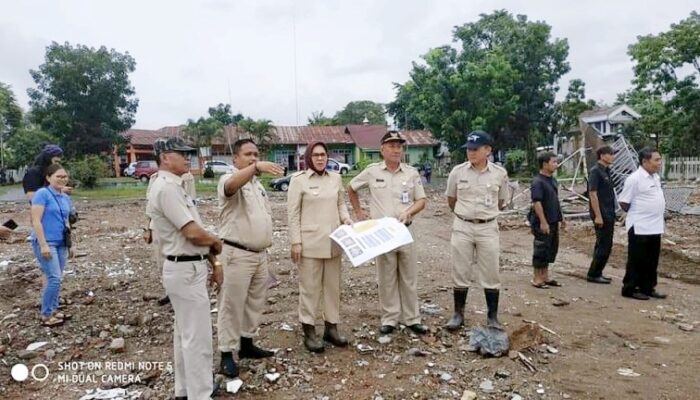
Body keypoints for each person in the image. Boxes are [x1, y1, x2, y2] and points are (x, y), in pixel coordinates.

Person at [147, 137, 223, 400]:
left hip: (185, 267)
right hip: (185, 268)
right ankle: (200, 393)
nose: (188, 157)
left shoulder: (173, 186)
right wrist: (216, 242)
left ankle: (185, 389)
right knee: (197, 337)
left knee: (184, 334)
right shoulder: (167, 188)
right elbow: (193, 233)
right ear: (166, 157)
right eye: (182, 154)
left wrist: (213, 260)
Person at [347, 131, 428, 335]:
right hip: (382, 234)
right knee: (386, 277)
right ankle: (390, 318)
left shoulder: (411, 173)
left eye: (399, 146)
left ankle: (412, 318)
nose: (396, 149)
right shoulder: (373, 171)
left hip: (405, 232)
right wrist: (358, 210)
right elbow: (351, 187)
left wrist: (409, 212)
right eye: (391, 146)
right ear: (382, 149)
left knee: (409, 277)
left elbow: (421, 200)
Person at [216, 139, 284, 377]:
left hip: (259, 254)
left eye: (256, 154)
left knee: (255, 302)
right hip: (237, 254)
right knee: (231, 304)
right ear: (235, 158)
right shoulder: (229, 178)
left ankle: (246, 345)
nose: (254, 158)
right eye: (248, 154)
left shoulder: (256, 185)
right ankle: (226, 353)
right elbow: (231, 187)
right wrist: (255, 169)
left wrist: (254, 173)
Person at [287, 141, 353, 353]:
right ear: (308, 157)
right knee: (310, 289)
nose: (320, 158)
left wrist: (346, 218)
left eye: (323, 154)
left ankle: (331, 328)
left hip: (334, 242)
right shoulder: (299, 181)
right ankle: (309, 331)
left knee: (333, 288)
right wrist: (295, 242)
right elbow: (293, 213)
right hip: (309, 245)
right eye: (315, 155)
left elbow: (340, 203)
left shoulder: (335, 178)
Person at [444, 130, 510, 331]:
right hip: (462, 225)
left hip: (488, 226)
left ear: (488, 150)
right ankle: (458, 314)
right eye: (469, 149)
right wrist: (464, 215)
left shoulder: (500, 174)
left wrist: (485, 214)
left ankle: (492, 317)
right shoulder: (458, 172)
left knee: (491, 271)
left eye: (475, 149)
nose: (471, 153)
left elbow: (501, 201)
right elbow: (451, 199)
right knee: (460, 269)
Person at [144, 150, 197, 306]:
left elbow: (190, 201)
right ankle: (168, 290)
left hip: (179, 223)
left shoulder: (187, 178)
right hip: (158, 224)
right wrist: (147, 228)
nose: (186, 159)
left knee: (180, 257)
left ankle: (181, 292)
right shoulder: (156, 179)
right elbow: (150, 204)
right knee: (162, 258)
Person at [618, 148, 667, 300]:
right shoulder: (635, 179)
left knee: (652, 259)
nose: (659, 163)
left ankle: (648, 287)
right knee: (637, 259)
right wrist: (639, 212)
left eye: (660, 160)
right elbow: (624, 202)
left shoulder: (655, 177)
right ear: (645, 162)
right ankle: (630, 288)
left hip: (655, 225)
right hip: (640, 225)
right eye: (656, 160)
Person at [30, 164, 72, 327]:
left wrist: (71, 245)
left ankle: (53, 309)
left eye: (64, 176)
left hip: (61, 242)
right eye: (58, 176)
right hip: (47, 242)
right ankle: (46, 314)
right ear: (48, 178)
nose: (62, 179)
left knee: (56, 277)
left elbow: (66, 221)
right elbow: (36, 220)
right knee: (53, 278)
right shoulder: (42, 194)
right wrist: (43, 245)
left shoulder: (65, 197)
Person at [529, 152, 565, 289]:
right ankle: (537, 278)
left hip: (553, 219)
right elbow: (537, 202)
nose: (556, 165)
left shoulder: (552, 180)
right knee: (541, 249)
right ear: (545, 164)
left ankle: (545, 276)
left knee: (551, 248)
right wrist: (543, 222)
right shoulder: (538, 182)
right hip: (542, 221)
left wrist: (561, 218)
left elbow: (555, 200)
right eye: (553, 162)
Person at [587, 145, 616, 284]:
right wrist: (598, 215)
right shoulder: (596, 172)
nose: (612, 156)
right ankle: (594, 274)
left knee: (605, 244)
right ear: (602, 155)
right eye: (610, 154)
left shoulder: (607, 171)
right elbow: (593, 194)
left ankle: (597, 271)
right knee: (603, 245)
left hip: (609, 212)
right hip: (602, 214)